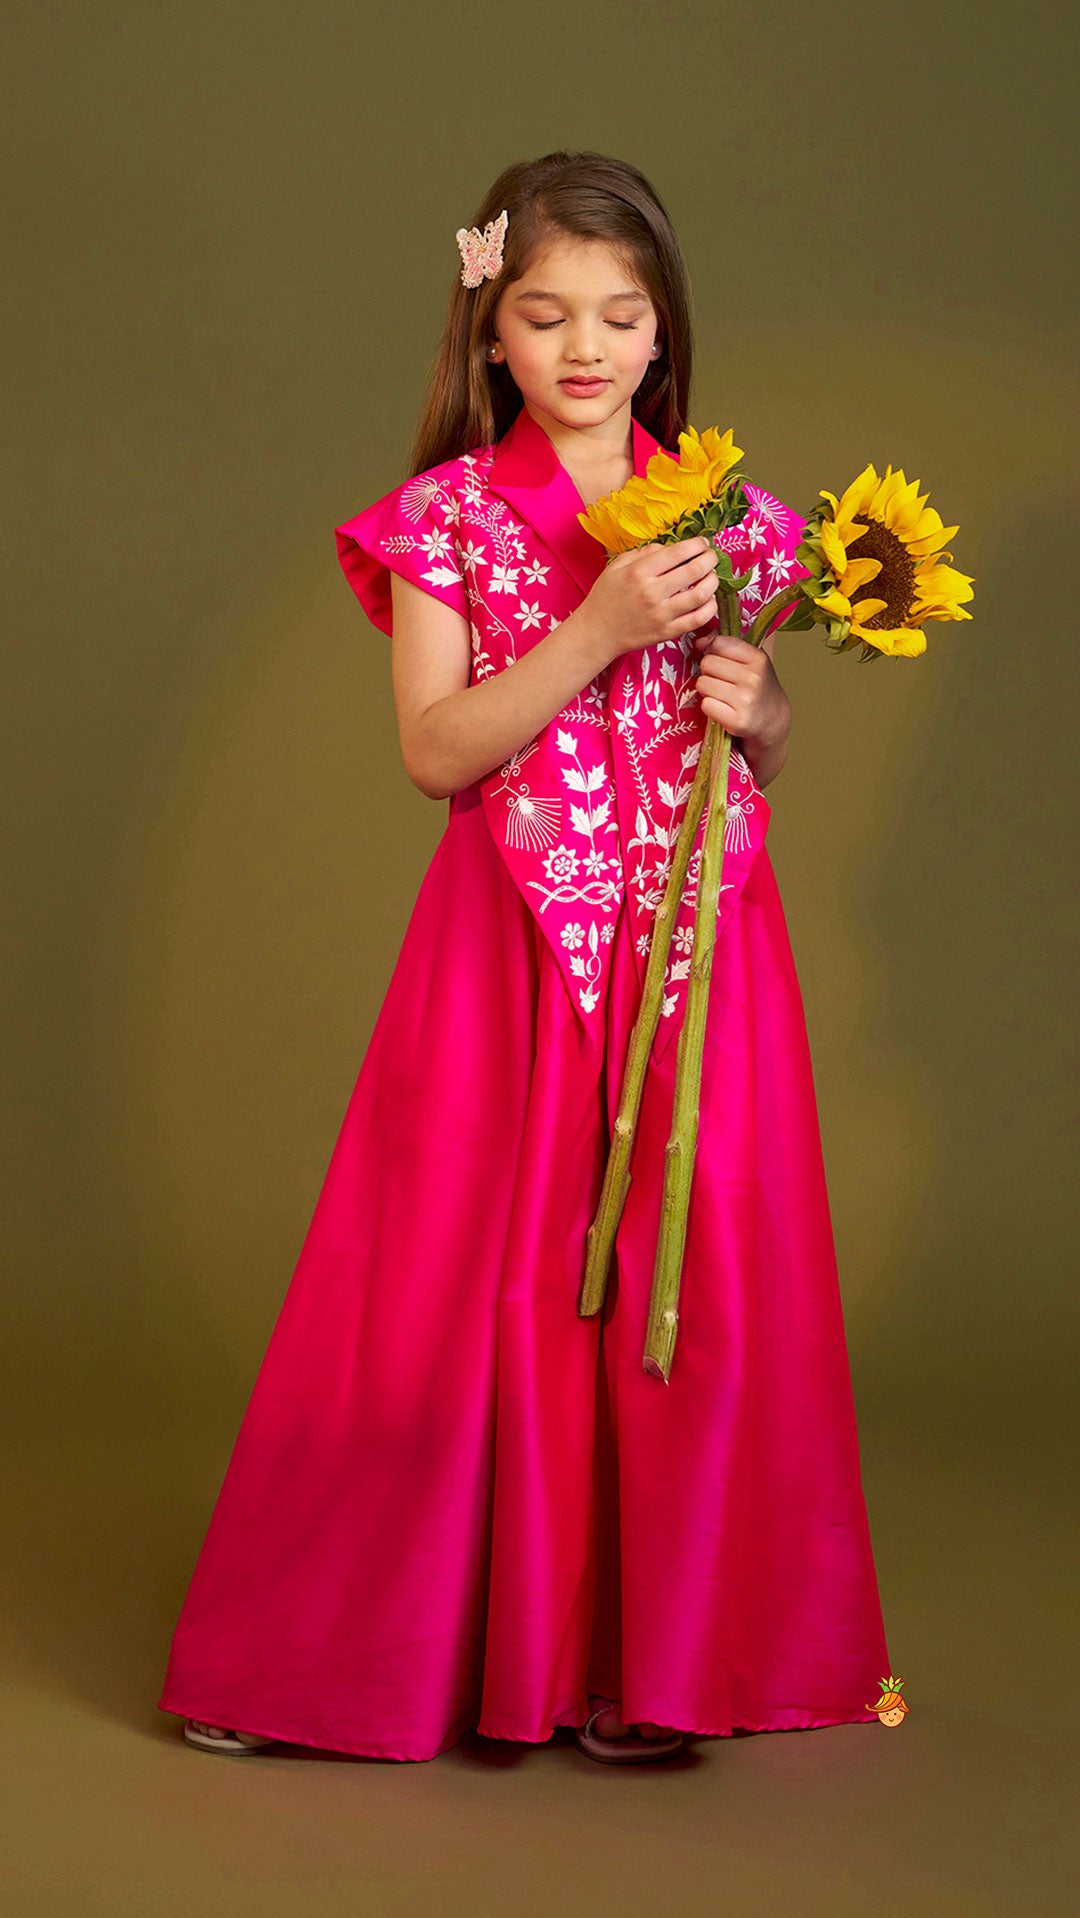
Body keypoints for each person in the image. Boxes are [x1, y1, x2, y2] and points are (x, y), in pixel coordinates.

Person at [159, 150, 891, 1767]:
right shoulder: (448, 521)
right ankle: (348, 1651)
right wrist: (596, 631)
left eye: (621, 316)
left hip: (696, 957)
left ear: (663, 332)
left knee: (673, 1285)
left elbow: (760, 736)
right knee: (446, 1281)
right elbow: (435, 749)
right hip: (512, 951)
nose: (585, 348)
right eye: (545, 314)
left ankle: (648, 1659)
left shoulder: (738, 515)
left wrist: (759, 712)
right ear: (489, 329)